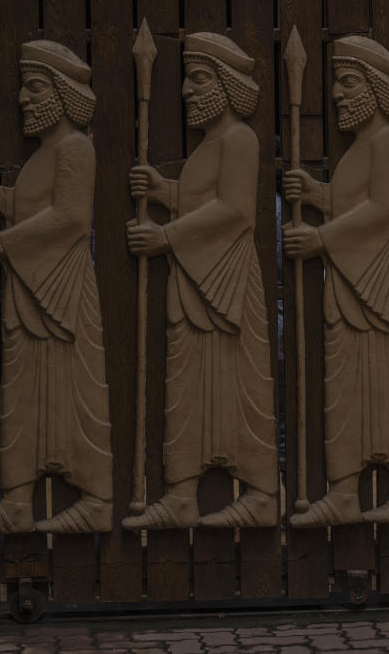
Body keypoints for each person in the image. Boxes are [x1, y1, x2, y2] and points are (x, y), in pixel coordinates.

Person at [122, 32, 278, 529]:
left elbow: (233, 211)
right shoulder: (212, 144)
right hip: (194, 280)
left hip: (226, 282)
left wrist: (165, 236)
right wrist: (166, 190)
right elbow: (202, 199)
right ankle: (182, 493)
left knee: (240, 387)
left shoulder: (240, 138)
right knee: (186, 385)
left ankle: (259, 493)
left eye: (200, 78)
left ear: (229, 86)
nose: (187, 90)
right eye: (187, 78)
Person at [0, 40, 112, 535]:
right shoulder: (47, 153)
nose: (24, 98)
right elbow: (38, 210)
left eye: (35, 87)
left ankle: (94, 499)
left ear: (65, 95)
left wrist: (0, 245)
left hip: (62, 290)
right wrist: (2, 199)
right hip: (31, 287)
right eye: (24, 87)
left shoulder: (75, 147)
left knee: (75, 393)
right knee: (22, 393)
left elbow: (69, 219)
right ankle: (18, 501)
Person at [283, 35, 389, 525]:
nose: (337, 95)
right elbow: (355, 203)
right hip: (349, 281)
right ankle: (344, 491)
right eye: (336, 85)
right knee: (345, 384)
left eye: (348, 83)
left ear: (375, 88)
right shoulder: (359, 149)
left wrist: (321, 237)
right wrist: (318, 194)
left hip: (379, 284)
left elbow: (385, 212)